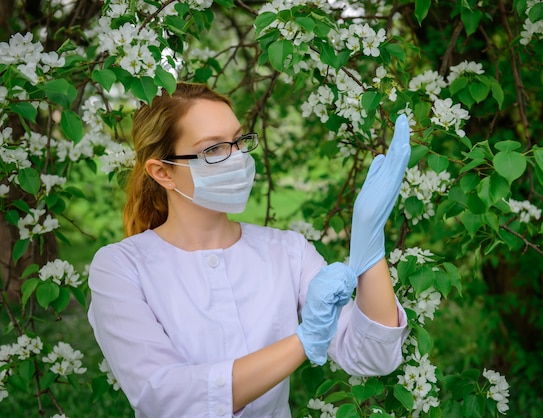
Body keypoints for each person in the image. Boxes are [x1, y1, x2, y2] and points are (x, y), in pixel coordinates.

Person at [87, 82, 411, 417]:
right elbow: (167, 397)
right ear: (163, 172)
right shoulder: (120, 267)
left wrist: (370, 247)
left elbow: (372, 356)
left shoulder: (287, 251)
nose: (237, 158)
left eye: (239, 140)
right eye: (213, 149)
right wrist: (304, 341)